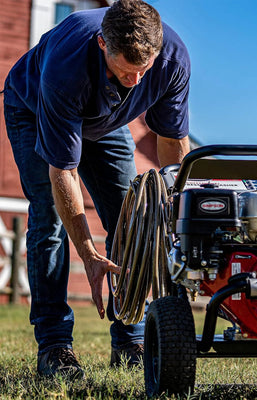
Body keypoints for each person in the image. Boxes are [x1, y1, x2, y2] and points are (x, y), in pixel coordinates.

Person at [1, 0, 190, 378]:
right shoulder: (65, 68)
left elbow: (171, 141)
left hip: (106, 122)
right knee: (49, 220)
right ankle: (55, 347)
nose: (137, 81)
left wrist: (175, 213)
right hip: (36, 110)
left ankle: (130, 340)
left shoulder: (172, 59)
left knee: (130, 218)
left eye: (144, 69)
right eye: (126, 70)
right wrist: (88, 252)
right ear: (103, 43)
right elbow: (63, 173)